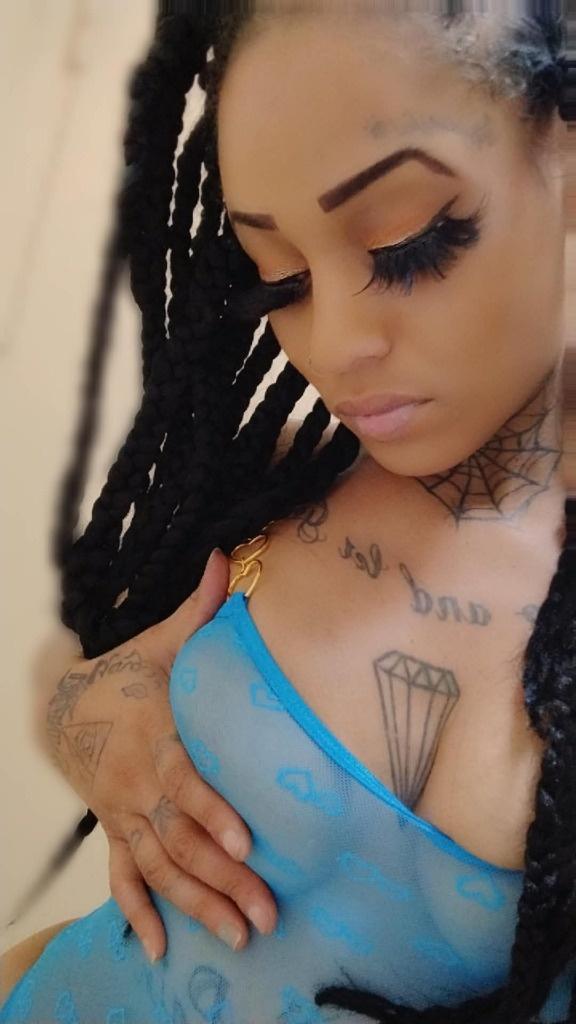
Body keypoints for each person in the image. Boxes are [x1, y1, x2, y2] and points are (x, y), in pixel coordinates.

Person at [2, 1, 576, 1020]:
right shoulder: (286, 475)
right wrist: (94, 720)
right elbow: (67, 663)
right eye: (281, 281)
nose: (336, 345)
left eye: (405, 244)